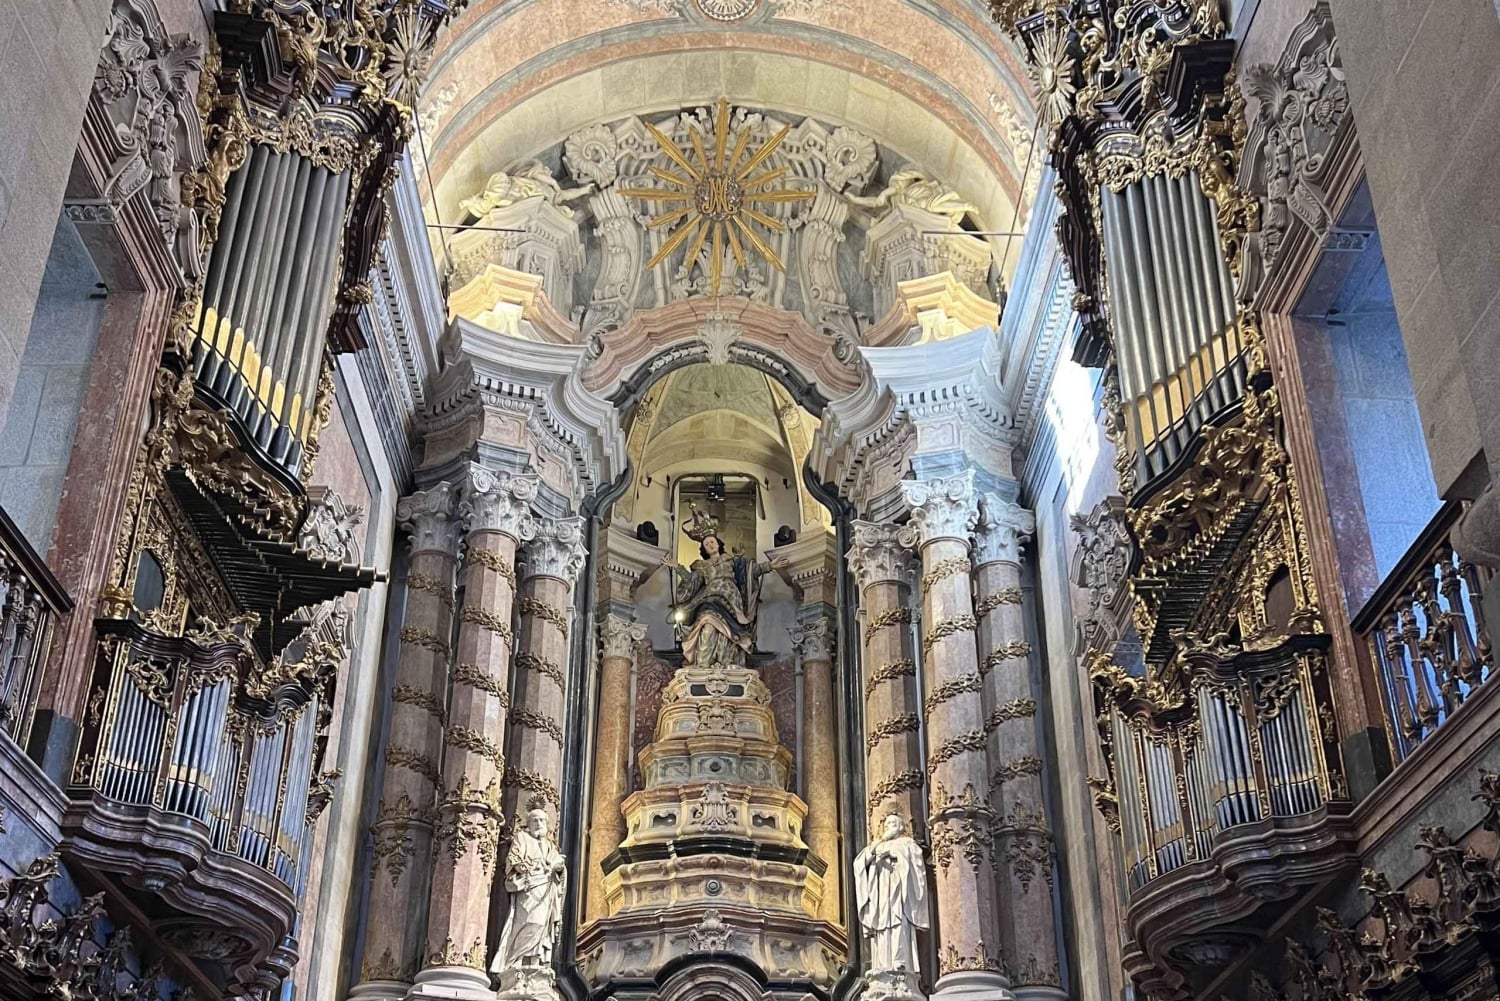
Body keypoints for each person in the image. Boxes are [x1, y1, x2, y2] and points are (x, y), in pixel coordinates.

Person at [662, 504, 788, 671]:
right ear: (704, 548)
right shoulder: (702, 566)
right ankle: (702, 665)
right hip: (709, 600)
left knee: (728, 635)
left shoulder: (731, 560)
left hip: (731, 601)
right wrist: (676, 567)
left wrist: (770, 566)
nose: (710, 545)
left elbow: (751, 571)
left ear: (718, 543)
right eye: (707, 544)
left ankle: (728, 663)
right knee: (707, 627)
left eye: (712, 541)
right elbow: (691, 581)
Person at [853, 811, 930, 978]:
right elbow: (859, 864)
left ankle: (899, 961)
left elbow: (916, 864)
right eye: (887, 824)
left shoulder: (907, 843)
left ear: (901, 827)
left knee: (898, 923)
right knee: (882, 925)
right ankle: (882, 963)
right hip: (880, 893)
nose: (889, 827)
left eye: (893, 824)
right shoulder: (878, 844)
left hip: (899, 890)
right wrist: (877, 848)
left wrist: (894, 854)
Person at [492, 807, 567, 976]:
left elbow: (557, 866)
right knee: (528, 922)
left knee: (541, 924)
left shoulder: (549, 845)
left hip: (546, 890)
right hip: (527, 888)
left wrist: (559, 868)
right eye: (535, 820)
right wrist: (528, 868)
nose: (539, 823)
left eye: (542, 820)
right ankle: (514, 961)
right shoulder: (522, 838)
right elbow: (513, 859)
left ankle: (534, 962)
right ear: (528, 823)